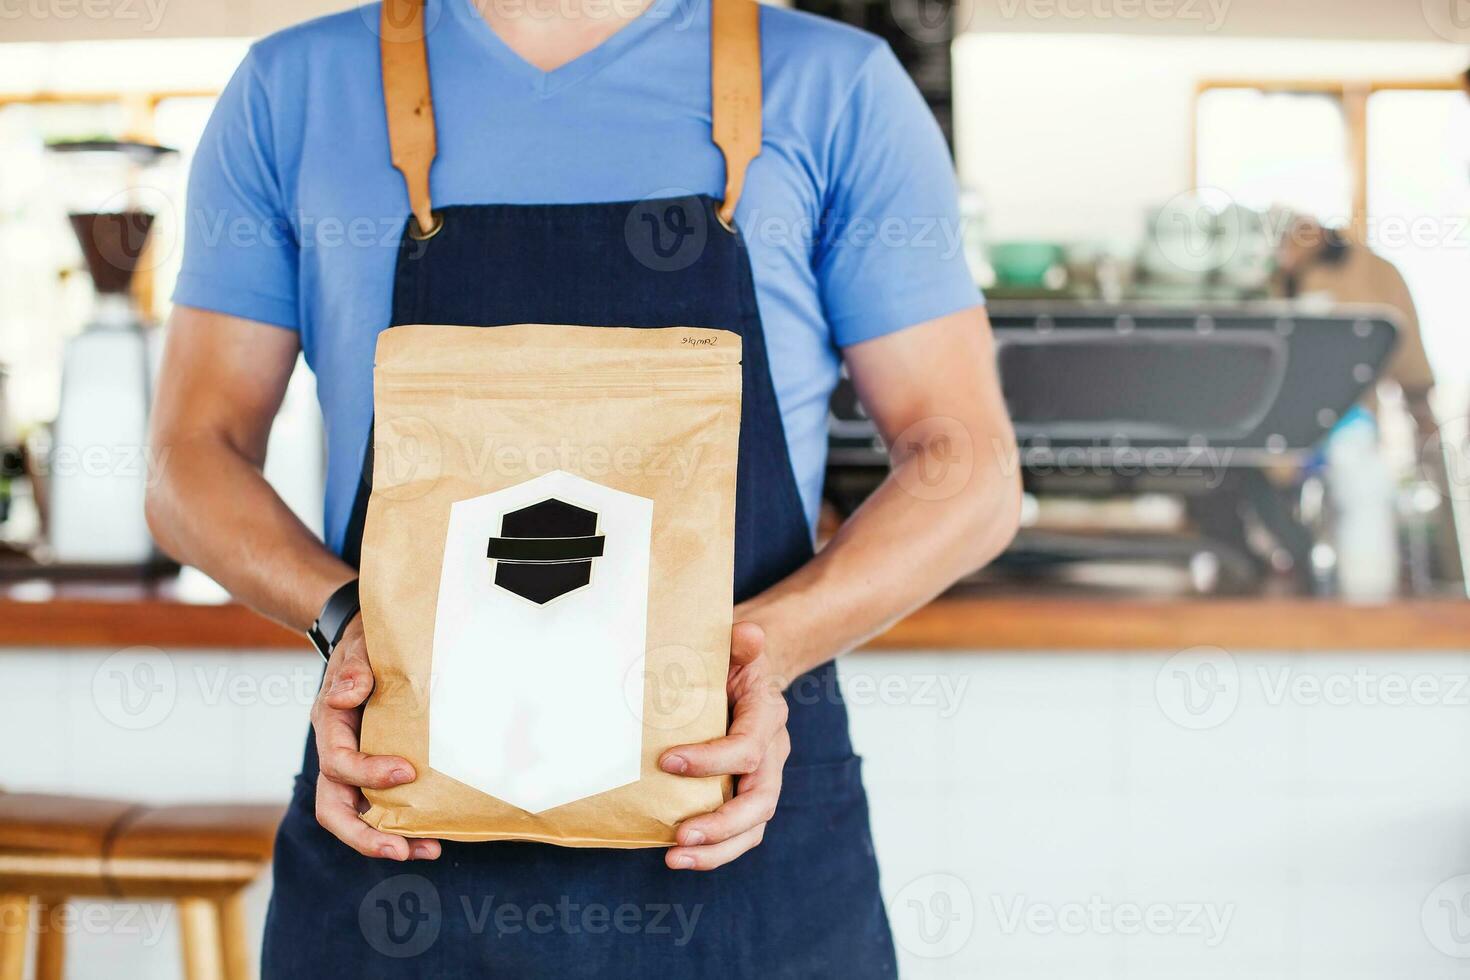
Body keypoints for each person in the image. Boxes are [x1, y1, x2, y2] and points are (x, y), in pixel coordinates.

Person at [145, 0, 1020, 973]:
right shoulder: (292, 90)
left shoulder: (835, 87)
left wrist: (754, 658)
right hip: (400, 843)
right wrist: (348, 621)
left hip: (732, 819)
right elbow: (190, 458)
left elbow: (967, 465)